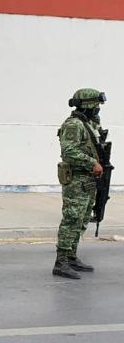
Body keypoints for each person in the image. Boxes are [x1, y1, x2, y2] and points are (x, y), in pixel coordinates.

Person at [53, 88, 107, 279]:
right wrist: (92, 163)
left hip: (88, 179)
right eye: (96, 105)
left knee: (83, 219)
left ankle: (71, 256)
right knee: (72, 218)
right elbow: (69, 151)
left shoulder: (88, 124)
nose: (98, 108)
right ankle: (61, 262)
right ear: (86, 105)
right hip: (76, 178)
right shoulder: (74, 125)